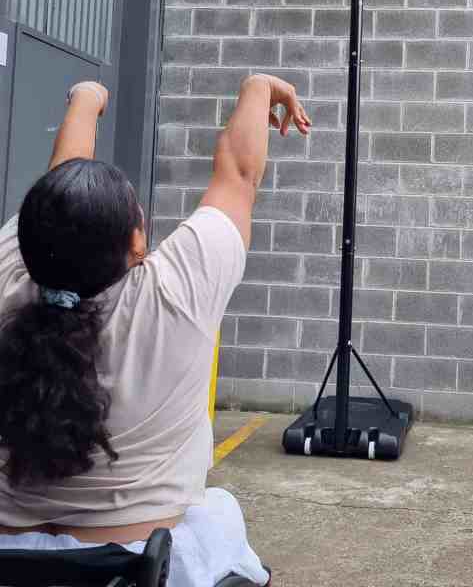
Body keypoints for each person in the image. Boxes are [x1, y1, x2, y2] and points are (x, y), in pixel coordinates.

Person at [0, 74, 311, 587]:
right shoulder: (176, 296)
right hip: (133, 568)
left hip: (9, 564)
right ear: (137, 244)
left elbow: (61, 184)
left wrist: (84, 97)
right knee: (219, 517)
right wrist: (258, 89)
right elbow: (238, 174)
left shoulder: (11, 275)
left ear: (33, 236)